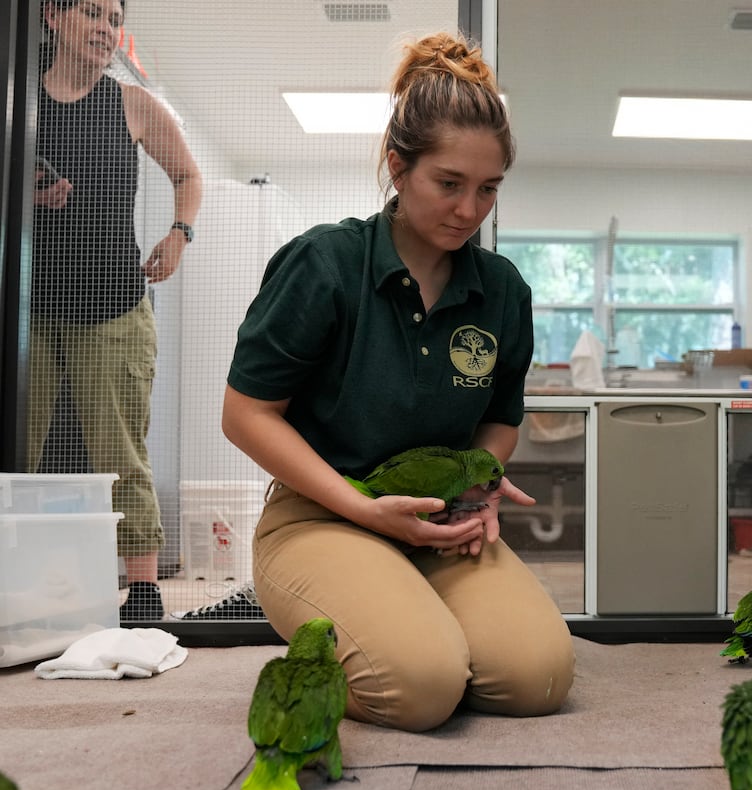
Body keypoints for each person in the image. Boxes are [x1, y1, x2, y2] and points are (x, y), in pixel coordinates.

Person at [221, 32, 575, 732]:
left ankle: (399, 609)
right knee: (422, 687)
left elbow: (500, 420)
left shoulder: (502, 290)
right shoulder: (325, 264)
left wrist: (477, 489)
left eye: (488, 190)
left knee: (539, 678)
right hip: (321, 516)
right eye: (449, 184)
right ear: (397, 167)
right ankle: (377, 623)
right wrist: (365, 513)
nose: (470, 211)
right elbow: (246, 414)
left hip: (440, 523)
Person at [29, 0, 202, 621]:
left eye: (113, 17)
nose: (106, 29)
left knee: (120, 447)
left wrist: (179, 233)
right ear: (53, 17)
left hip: (112, 302)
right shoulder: (21, 106)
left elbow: (187, 173)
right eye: (92, 14)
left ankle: (144, 587)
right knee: (17, 445)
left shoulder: (131, 104)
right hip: (30, 308)